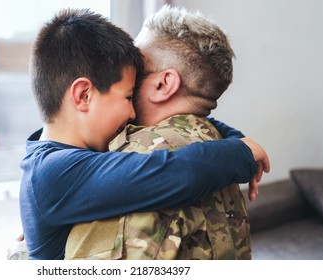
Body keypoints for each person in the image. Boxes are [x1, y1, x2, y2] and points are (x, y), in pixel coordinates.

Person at [19, 8, 269, 260]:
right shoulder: (53, 174)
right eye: (127, 95)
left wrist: (236, 139)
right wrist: (241, 152)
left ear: (164, 85)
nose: (129, 113)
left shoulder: (66, 150)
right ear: (84, 95)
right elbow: (174, 172)